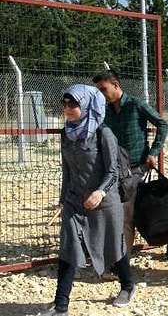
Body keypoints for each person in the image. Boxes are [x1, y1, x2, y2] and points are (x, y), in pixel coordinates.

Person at [40, 85, 135, 316]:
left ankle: (128, 286)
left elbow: (113, 172)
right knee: (68, 248)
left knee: (113, 245)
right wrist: (64, 199)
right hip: (74, 201)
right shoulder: (67, 133)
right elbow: (67, 170)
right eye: (64, 103)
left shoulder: (104, 133)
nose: (67, 108)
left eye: (72, 103)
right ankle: (61, 305)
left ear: (88, 105)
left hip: (104, 200)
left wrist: (100, 192)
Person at [92, 70, 168, 261]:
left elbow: (162, 124)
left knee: (129, 216)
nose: (101, 95)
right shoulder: (105, 111)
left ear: (116, 85)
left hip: (137, 169)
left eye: (103, 89)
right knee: (121, 214)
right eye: (98, 91)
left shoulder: (136, 105)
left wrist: (154, 152)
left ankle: (123, 262)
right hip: (114, 171)